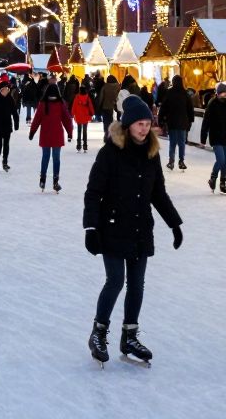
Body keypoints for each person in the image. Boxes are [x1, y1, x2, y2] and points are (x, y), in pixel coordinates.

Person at [83, 95, 183, 367]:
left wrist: (174, 223)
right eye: (139, 123)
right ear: (127, 125)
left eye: (147, 123)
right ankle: (99, 333)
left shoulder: (152, 153)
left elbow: (158, 193)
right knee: (115, 281)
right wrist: (91, 227)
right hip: (113, 227)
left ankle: (129, 336)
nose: (144, 128)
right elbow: (93, 193)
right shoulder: (110, 153)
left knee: (136, 285)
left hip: (140, 228)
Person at [29, 82, 73, 193]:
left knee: (45, 157)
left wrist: (32, 132)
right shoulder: (60, 103)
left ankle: (42, 179)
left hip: (46, 135)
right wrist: (69, 132)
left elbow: (37, 119)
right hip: (57, 135)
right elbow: (67, 119)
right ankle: (55, 181)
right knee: (56, 159)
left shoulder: (43, 103)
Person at [157, 75, 194, 171]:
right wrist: (190, 120)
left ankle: (171, 161)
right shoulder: (185, 93)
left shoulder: (169, 93)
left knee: (172, 142)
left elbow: (163, 107)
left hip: (172, 121)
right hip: (183, 122)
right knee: (181, 143)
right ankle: (181, 161)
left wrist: (160, 120)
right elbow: (190, 108)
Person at [71, 83, 95, 153]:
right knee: (85, 131)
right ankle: (85, 146)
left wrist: (72, 113)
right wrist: (92, 113)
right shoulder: (87, 97)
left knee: (79, 131)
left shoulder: (77, 97)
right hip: (85, 116)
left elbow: (74, 106)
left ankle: (78, 146)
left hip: (78, 116)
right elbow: (90, 106)